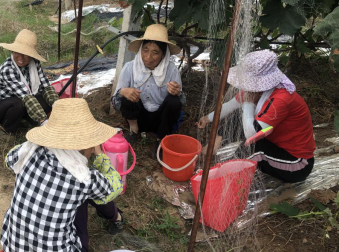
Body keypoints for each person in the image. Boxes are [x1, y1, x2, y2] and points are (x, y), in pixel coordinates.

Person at [1, 98, 124, 252]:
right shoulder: (83, 178)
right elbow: (115, 186)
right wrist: (100, 155)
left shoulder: (29, 151)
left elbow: (9, 159)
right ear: (86, 145)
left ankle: (114, 217)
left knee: (66, 196)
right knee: (86, 197)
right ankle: (116, 218)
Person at [197, 50, 315, 183]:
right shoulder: (257, 90)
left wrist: (248, 103)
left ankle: (223, 180)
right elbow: (230, 106)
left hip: (296, 164)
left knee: (253, 148)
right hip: (273, 146)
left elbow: (251, 135)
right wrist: (207, 118)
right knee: (237, 118)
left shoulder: (281, 99)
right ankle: (209, 150)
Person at [111, 24, 183, 149]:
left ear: (163, 54)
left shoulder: (171, 70)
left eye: (155, 52)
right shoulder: (130, 67)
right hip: (138, 117)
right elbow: (115, 100)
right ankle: (134, 130)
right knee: (127, 96)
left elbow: (181, 102)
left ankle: (162, 137)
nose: (148, 57)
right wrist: (123, 91)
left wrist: (178, 92)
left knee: (174, 101)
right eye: (145, 50)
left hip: (162, 119)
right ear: (140, 50)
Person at [0, 29, 59, 134]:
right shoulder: (8, 69)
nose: (21, 57)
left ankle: (27, 120)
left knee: (46, 99)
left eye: (25, 54)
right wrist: (44, 121)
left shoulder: (34, 63)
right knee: (18, 103)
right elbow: (25, 96)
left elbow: (46, 86)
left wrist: (59, 108)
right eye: (17, 52)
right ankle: (7, 130)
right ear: (13, 51)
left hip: (19, 98)